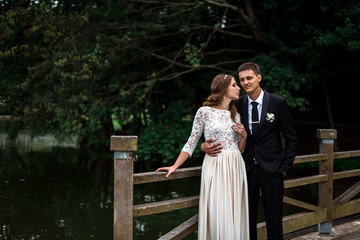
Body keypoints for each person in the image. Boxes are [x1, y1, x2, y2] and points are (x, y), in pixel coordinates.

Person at [201, 62, 298, 240]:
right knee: (247, 223)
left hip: (273, 171)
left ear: (259, 78)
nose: (245, 82)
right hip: (245, 172)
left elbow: (292, 138)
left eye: (249, 78)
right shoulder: (237, 104)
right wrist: (203, 146)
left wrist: (284, 169)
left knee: (274, 222)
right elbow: (220, 128)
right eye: (242, 80)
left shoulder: (278, 103)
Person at [155, 74, 249, 240]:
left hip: (235, 165)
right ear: (224, 88)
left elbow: (239, 148)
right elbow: (191, 142)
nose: (238, 88)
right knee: (217, 210)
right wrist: (175, 166)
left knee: (234, 210)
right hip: (215, 166)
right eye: (234, 85)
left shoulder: (235, 115)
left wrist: (244, 137)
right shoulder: (204, 112)